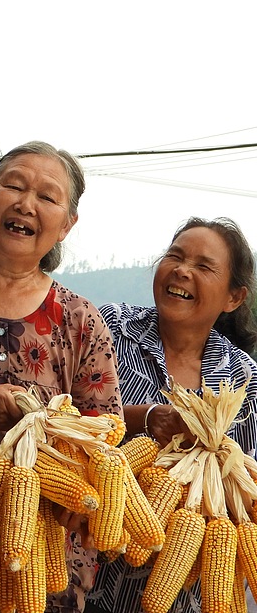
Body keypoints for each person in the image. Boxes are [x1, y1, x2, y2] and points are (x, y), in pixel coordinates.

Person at [0, 141, 123, 613]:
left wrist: (82, 484)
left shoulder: (80, 321)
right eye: (13, 185)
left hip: (40, 555)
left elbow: (103, 435)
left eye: (47, 197)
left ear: (67, 225)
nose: (26, 204)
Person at [84, 217, 257, 613]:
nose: (182, 270)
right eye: (175, 256)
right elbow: (63, 414)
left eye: (203, 266)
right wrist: (141, 419)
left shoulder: (243, 378)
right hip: (84, 573)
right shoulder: (108, 328)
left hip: (182, 595)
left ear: (234, 297)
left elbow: (242, 488)